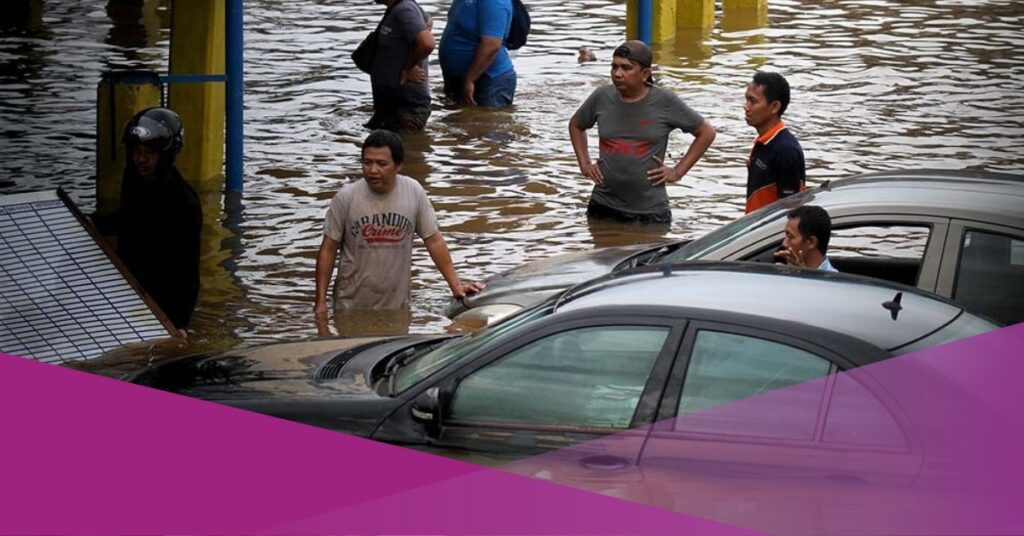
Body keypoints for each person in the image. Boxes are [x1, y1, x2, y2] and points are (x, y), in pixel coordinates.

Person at [314, 130, 484, 319]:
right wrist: (320, 302)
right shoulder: (346, 198)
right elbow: (328, 249)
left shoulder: (414, 192)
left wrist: (456, 286)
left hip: (397, 306)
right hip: (350, 305)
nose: (372, 170)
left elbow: (434, 241)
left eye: (381, 164)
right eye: (367, 162)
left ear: (398, 165)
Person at [569, 40, 716, 224]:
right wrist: (585, 164)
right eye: (614, 67)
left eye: (626, 68)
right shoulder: (602, 97)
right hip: (603, 205)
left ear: (645, 74)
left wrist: (677, 172)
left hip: (649, 212)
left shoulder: (664, 101)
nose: (617, 74)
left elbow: (706, 132)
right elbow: (576, 125)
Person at [95, 107, 203, 330]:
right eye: (136, 150)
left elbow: (187, 278)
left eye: (150, 153)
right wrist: (94, 224)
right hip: (125, 287)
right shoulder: (132, 178)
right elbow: (130, 220)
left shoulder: (185, 204)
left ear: (167, 155)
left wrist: (178, 326)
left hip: (160, 300)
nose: (140, 159)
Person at [365, 0, 435, 131]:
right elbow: (428, 21)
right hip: (392, 106)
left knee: (407, 150)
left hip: (406, 109)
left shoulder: (404, 9)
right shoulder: (400, 7)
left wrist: (410, 66)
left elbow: (428, 43)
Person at [744, 71, 805, 213]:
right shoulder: (763, 142)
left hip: (767, 231)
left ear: (774, 107)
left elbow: (790, 208)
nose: (746, 107)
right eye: (746, 100)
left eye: (752, 101)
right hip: (755, 227)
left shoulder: (786, 150)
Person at [438, 0, 516, 107]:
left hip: (488, 79)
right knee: (460, 121)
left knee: (485, 121)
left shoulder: (495, 2)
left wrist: (469, 80)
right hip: (462, 77)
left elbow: (491, 45)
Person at [775, 205, 837, 272]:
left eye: (790, 237)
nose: (784, 243)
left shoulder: (832, 280)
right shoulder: (786, 271)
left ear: (811, 242)